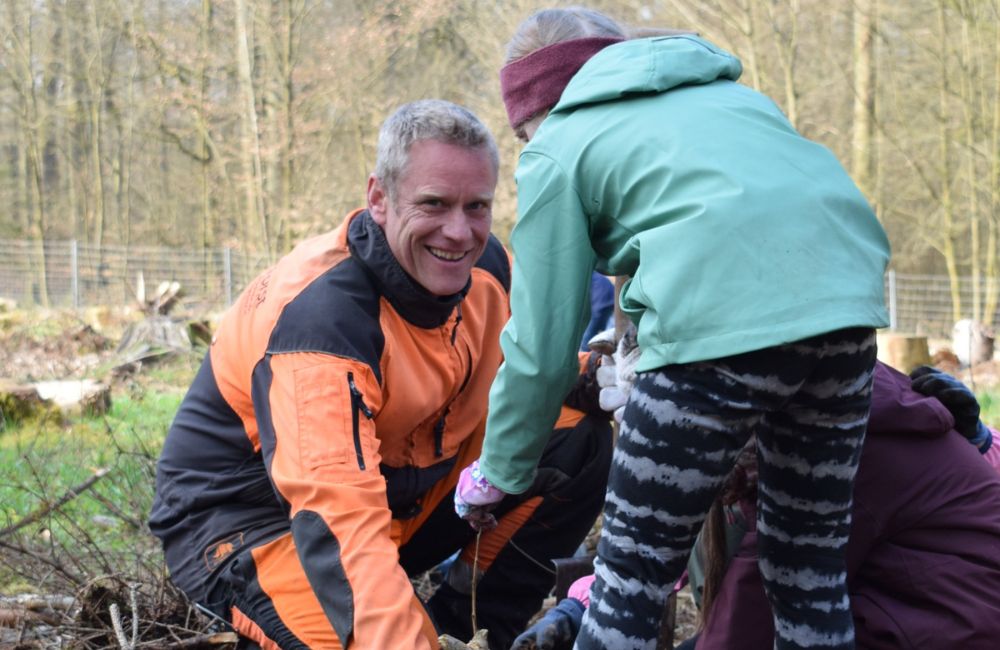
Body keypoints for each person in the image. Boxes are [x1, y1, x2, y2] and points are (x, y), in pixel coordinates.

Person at [453, 7, 892, 650]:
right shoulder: (729, 100)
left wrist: (500, 470)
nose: (526, 148)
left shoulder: (560, 143)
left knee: (629, 582)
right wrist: (629, 334)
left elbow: (542, 347)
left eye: (521, 134)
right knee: (808, 569)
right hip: (845, 316)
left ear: (537, 109)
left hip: (712, 347)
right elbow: (696, 225)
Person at [148, 99, 613, 650]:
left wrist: (599, 375)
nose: (459, 232)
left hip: (400, 491)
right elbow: (336, 517)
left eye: (477, 206)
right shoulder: (322, 325)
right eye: (434, 204)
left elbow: (527, 373)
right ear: (379, 199)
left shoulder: (488, 267)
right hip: (258, 521)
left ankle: (468, 630)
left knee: (576, 432)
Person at [512, 361, 1000, 650]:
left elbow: (751, 612)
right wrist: (583, 608)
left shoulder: (832, 452)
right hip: (896, 609)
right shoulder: (793, 406)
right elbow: (665, 537)